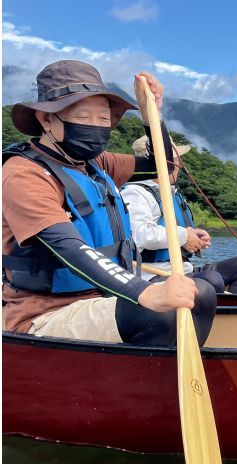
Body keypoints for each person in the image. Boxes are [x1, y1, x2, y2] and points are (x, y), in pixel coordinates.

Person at [2, 60, 217, 346]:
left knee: (201, 292)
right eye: (83, 116)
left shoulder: (96, 164)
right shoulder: (23, 174)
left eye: (103, 119)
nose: (95, 127)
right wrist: (143, 292)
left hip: (105, 296)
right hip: (46, 313)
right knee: (161, 312)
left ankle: (161, 382)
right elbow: (69, 248)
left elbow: (164, 167)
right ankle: (138, 385)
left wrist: (151, 115)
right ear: (46, 119)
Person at [120, 136, 237, 294]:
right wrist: (184, 236)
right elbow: (140, 235)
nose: (179, 165)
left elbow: (175, 233)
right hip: (153, 275)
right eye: (176, 160)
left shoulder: (170, 193)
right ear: (164, 164)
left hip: (183, 270)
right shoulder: (134, 193)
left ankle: (233, 315)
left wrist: (194, 237)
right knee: (213, 280)